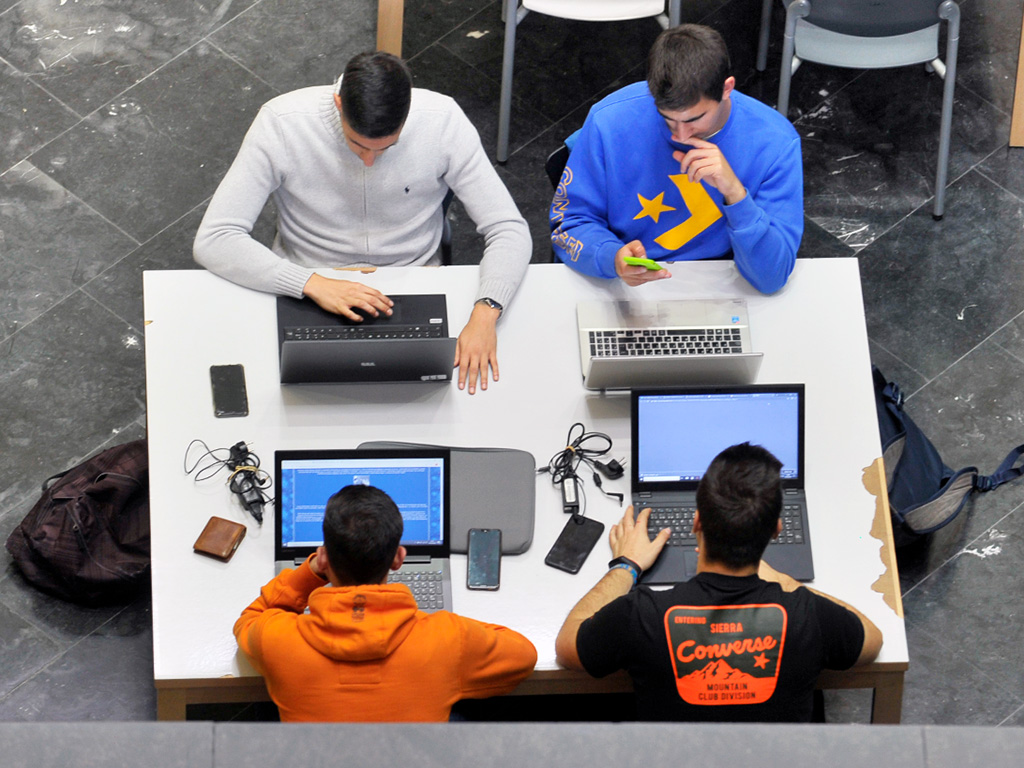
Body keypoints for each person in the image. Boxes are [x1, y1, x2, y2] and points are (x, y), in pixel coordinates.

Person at [194, 51, 531, 394]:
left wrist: (487, 311)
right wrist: (311, 282)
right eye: (358, 145)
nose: (370, 161)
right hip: (309, 285)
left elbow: (508, 228)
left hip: (414, 281)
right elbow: (216, 238)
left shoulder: (443, 121)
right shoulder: (282, 123)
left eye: (387, 148)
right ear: (339, 105)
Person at [555, 443, 882, 722]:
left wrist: (626, 565)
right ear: (776, 531)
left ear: (697, 521)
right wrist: (782, 579)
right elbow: (871, 640)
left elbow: (568, 647)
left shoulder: (642, 614)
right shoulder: (807, 615)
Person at [234, 484, 537, 721]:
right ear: (398, 558)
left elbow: (249, 620)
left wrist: (309, 573)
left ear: (324, 558)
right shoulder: (448, 637)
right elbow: (524, 655)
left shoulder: (277, 639)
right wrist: (450, 630)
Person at [550, 25, 802, 294]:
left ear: (727, 88)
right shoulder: (608, 121)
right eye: (667, 118)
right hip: (624, 285)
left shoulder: (776, 142)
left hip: (720, 283)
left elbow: (772, 276)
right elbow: (569, 225)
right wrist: (611, 257)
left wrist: (736, 195)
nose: (681, 135)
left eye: (694, 119)